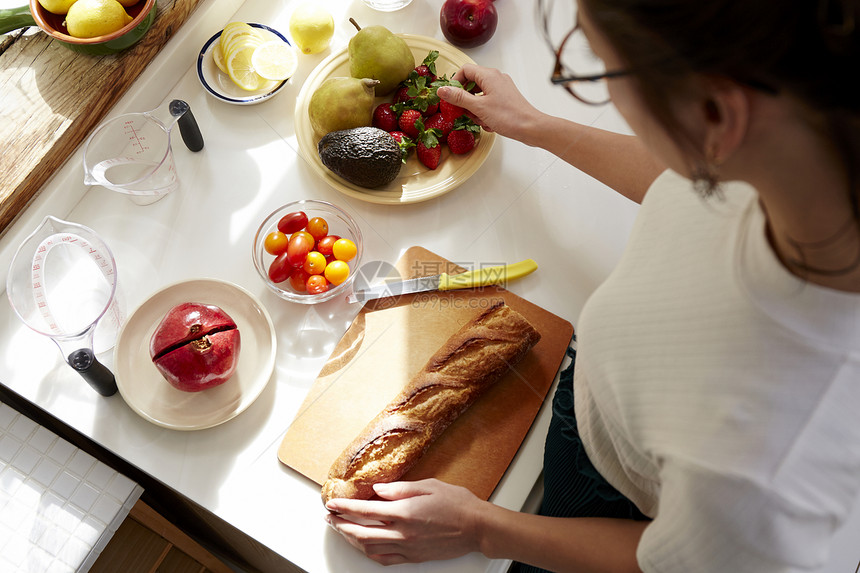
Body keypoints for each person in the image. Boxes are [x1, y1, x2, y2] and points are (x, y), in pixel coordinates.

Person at [323, 0, 860, 571]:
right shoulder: (808, 154)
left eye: (598, 70)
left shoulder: (763, 473)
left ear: (716, 117)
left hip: (620, 509)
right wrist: (534, 125)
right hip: (608, 416)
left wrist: (483, 528)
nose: (600, 85)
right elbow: (682, 182)